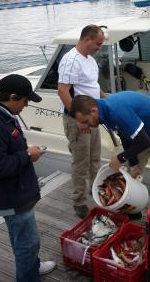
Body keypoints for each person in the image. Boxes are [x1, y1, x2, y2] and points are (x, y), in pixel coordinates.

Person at [0, 74, 56, 281]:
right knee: (27, 244)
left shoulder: (2, 115)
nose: (26, 105)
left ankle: (33, 267)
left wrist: (23, 151)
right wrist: (27, 155)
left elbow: (4, 152)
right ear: (12, 97)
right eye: (25, 100)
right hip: (11, 197)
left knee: (24, 240)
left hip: (16, 191)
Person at [69, 92, 150, 208]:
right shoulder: (103, 113)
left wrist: (120, 158)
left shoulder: (115, 111)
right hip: (144, 135)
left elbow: (144, 142)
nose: (86, 125)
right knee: (129, 175)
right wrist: (134, 164)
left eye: (85, 121)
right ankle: (133, 210)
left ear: (93, 111)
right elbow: (125, 136)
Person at [58, 24, 107, 218]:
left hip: (92, 118)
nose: (99, 47)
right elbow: (62, 91)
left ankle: (94, 191)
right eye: (98, 43)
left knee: (95, 158)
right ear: (87, 39)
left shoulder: (90, 60)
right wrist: (77, 119)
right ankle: (79, 203)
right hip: (77, 121)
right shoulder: (71, 60)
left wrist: (108, 100)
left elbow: (93, 87)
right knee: (81, 162)